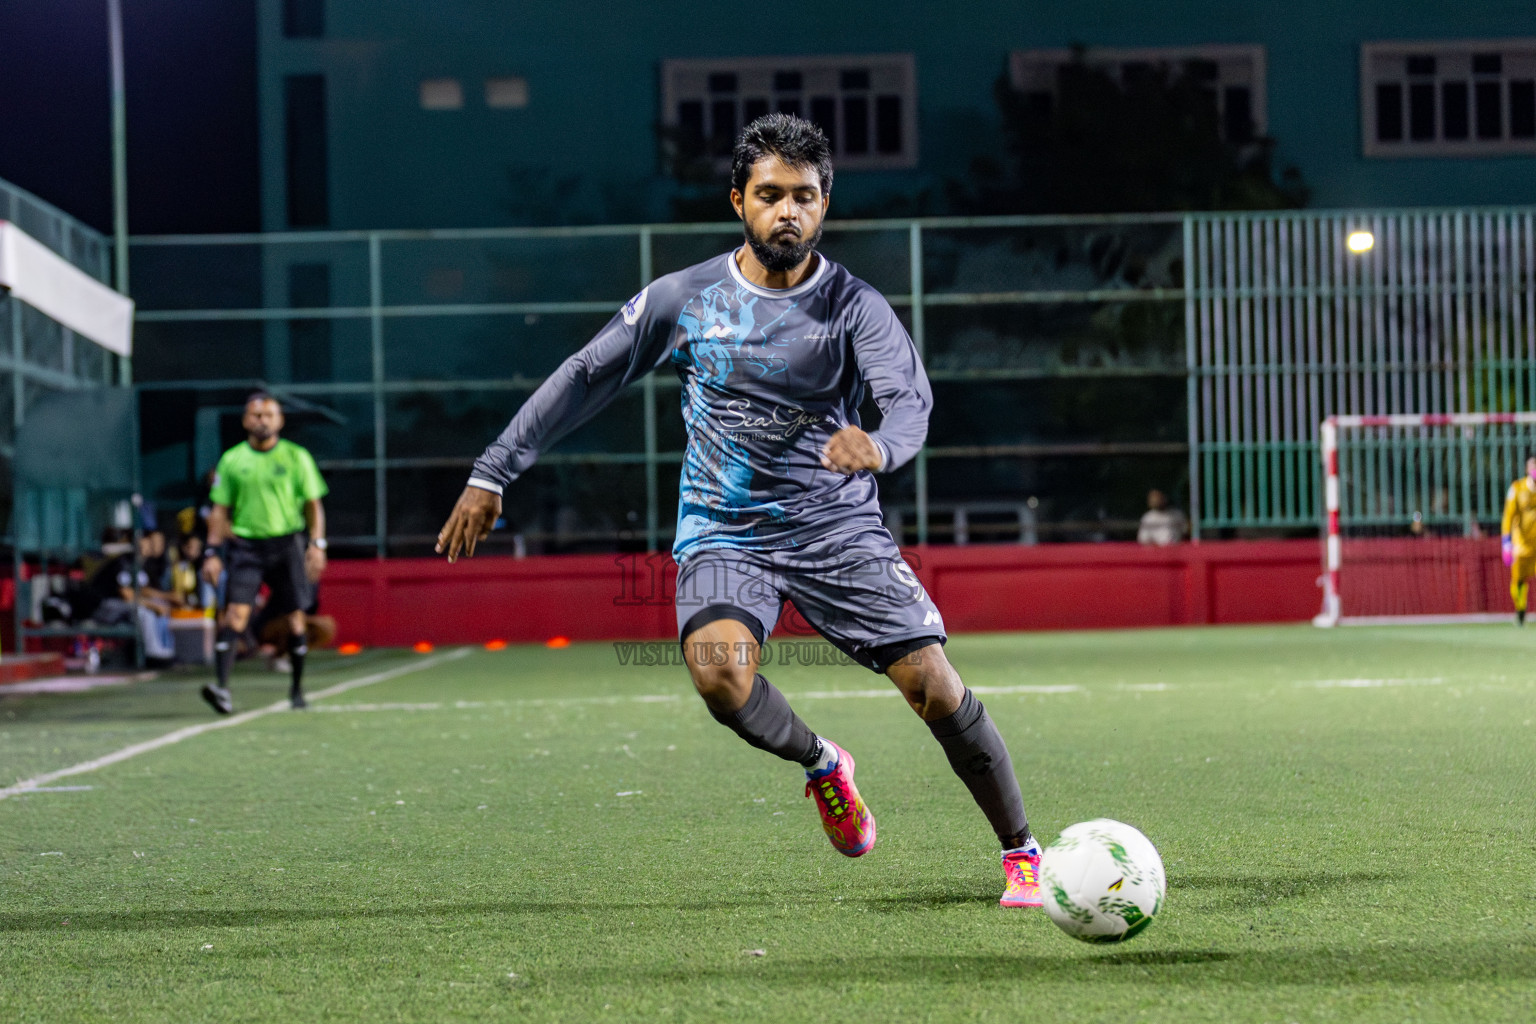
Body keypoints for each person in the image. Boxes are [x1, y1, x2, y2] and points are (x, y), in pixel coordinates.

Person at [435, 114, 1043, 908]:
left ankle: (1021, 850)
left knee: (931, 684)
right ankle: (824, 763)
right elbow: (585, 376)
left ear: (824, 206)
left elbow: (908, 400)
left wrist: (883, 446)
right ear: (738, 201)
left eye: (804, 196)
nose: (787, 210)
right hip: (725, 530)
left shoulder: (854, 307)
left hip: (836, 529)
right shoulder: (685, 299)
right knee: (720, 677)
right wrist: (493, 472)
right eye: (770, 195)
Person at [200, 392, 329, 712]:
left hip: (286, 544)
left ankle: (297, 692)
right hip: (247, 547)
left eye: (269, 415)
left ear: (279, 420)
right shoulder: (232, 460)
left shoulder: (296, 457)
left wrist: (317, 543)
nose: (262, 421)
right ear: (246, 420)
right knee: (234, 616)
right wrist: (212, 551)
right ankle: (222, 689)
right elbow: (219, 510)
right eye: (256, 415)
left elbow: (313, 505)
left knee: (296, 619)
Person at [1501, 457, 1536, 625]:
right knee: (1519, 580)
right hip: (1521, 545)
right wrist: (1506, 542)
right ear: (1527, 469)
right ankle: (1521, 608)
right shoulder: (1517, 488)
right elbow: (1508, 516)